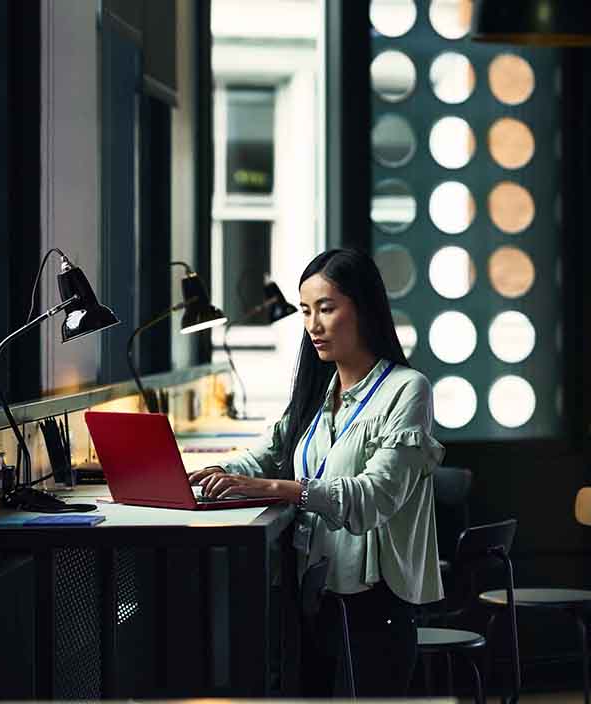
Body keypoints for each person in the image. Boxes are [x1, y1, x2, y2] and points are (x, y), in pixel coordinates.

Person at [188, 247, 445, 697]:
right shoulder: (317, 390)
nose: (313, 325)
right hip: (312, 592)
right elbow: (267, 454)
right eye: (306, 311)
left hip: (373, 603)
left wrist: (275, 488)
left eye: (326, 309)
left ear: (363, 309)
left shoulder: (408, 390)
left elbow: (373, 498)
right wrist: (215, 474)